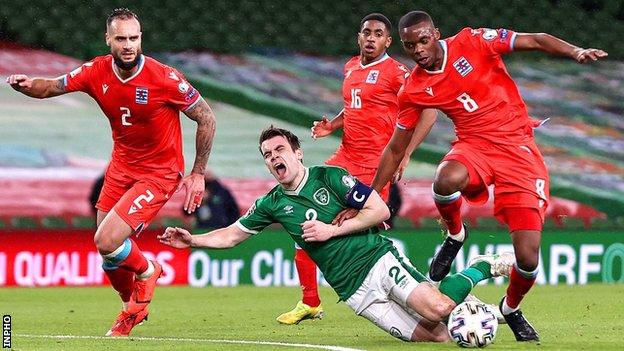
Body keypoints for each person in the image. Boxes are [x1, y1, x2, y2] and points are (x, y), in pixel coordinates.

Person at [369, 10, 608, 342]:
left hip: (518, 151)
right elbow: (395, 148)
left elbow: (535, 39)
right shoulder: (413, 89)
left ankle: (510, 309)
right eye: (410, 46)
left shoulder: (473, 41)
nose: (419, 50)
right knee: (445, 179)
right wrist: (370, 194)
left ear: (435, 33)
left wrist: (575, 52)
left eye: (424, 40)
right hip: (474, 146)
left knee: (527, 257)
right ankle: (455, 235)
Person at [159, 126, 515, 342]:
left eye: (280, 150)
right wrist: (194, 241)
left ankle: (482, 266)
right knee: (434, 336)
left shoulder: (329, 177)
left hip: (376, 261)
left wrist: (332, 229)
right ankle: (478, 310)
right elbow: (232, 236)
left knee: (438, 308)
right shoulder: (271, 203)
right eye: (267, 155)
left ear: (297, 153)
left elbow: (380, 209)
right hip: (355, 293)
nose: (274, 158)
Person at [6, 8, 217, 337]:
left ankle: (149, 270)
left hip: (159, 172)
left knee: (106, 239)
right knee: (108, 254)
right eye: (121, 38)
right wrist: (28, 85)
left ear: (141, 38)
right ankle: (129, 306)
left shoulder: (165, 78)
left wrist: (198, 172)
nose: (129, 45)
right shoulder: (96, 71)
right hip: (121, 167)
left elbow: (206, 117)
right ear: (109, 40)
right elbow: (52, 87)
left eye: (134, 38)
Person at [280, 12, 438, 325]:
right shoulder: (351, 66)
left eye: (378, 34)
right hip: (344, 157)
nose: (370, 38)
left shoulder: (396, 72)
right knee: (302, 213)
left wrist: (405, 153)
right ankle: (310, 301)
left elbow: (429, 110)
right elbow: (354, 106)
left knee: (363, 235)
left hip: (375, 164)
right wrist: (333, 125)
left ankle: (423, 293)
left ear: (388, 41)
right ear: (358, 36)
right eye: (366, 32)